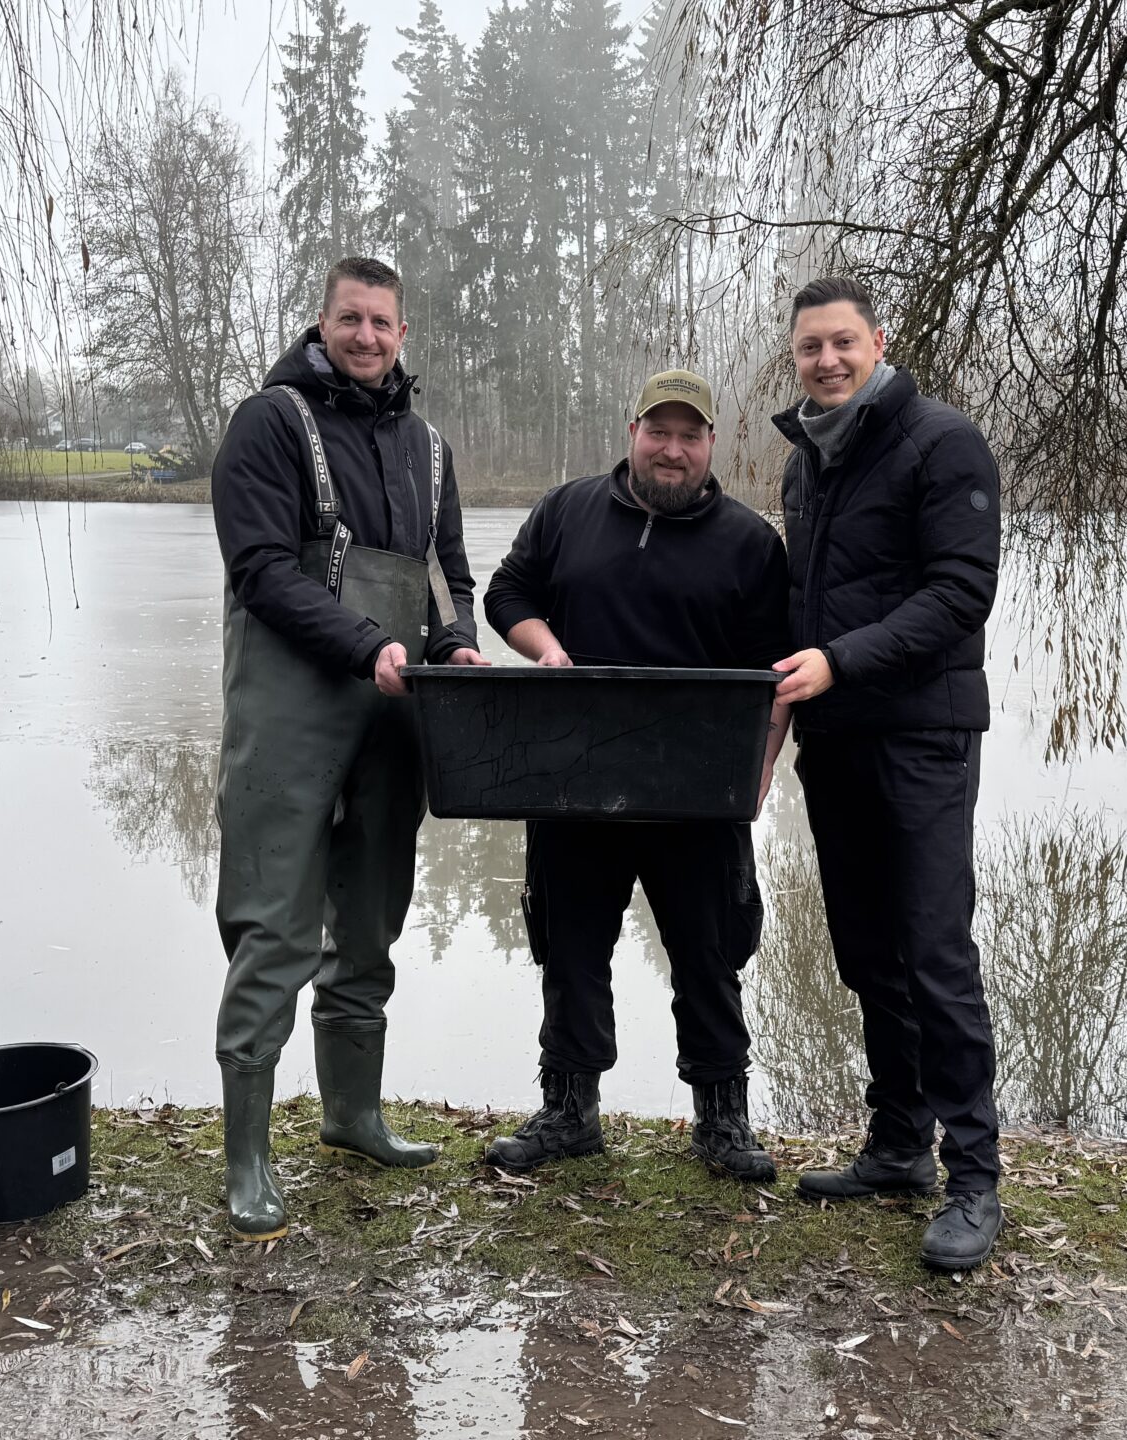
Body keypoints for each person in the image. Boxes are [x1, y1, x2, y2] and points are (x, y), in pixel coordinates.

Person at [209, 257, 488, 1242]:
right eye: (350, 319)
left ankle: (351, 1116)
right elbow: (259, 571)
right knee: (274, 931)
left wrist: (457, 646)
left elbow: (448, 576)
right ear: (321, 324)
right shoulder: (268, 423)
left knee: (370, 921)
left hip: (393, 716)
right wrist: (365, 644)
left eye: (382, 322)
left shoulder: (428, 448)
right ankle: (247, 1158)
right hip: (290, 711)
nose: (367, 336)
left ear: (403, 334)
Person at [479, 369, 793, 1183]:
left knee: (709, 955)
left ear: (711, 445)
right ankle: (568, 1112)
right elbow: (507, 592)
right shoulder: (567, 510)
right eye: (660, 431)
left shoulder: (751, 543)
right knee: (572, 950)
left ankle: (723, 1120)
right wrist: (547, 649)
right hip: (574, 778)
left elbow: (776, 670)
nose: (672, 450)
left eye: (689, 436)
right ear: (633, 433)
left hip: (697, 791)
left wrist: (760, 766)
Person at [766, 276, 1005, 1270]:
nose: (825, 361)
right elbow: (804, 603)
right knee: (867, 952)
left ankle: (975, 1179)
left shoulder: (940, 442)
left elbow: (961, 592)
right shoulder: (806, 463)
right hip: (837, 740)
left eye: (841, 343)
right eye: (808, 348)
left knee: (934, 952)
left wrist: (841, 660)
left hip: (922, 736)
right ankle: (900, 1144)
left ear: (877, 342)